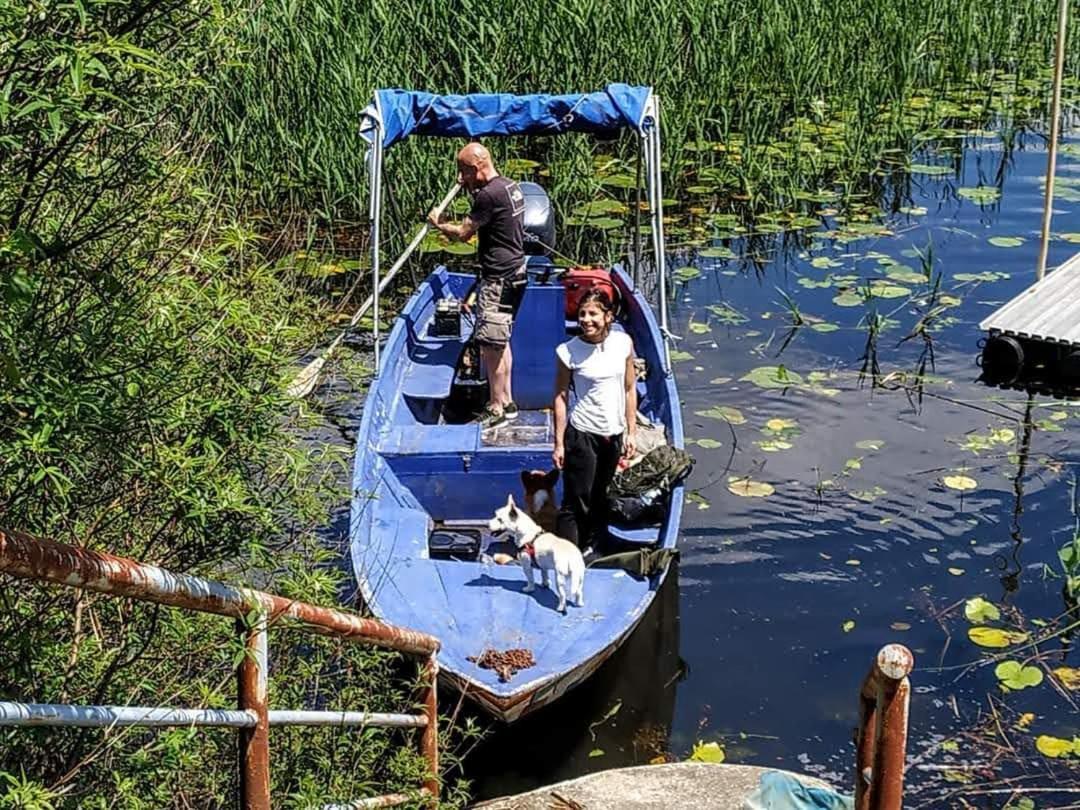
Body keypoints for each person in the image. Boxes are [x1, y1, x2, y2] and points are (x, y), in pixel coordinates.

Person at [428, 142, 526, 428]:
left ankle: (496, 408)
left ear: (475, 167)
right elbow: (487, 204)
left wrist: (439, 223)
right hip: (517, 273)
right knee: (501, 340)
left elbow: (462, 233)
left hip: (498, 279)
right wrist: (469, 184)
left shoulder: (488, 196)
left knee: (491, 345)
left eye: (464, 171)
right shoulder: (509, 186)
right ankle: (507, 401)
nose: (461, 178)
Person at [552, 288, 637, 551]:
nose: (586, 320)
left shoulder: (623, 343)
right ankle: (568, 557)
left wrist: (631, 431)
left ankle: (593, 547)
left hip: (613, 433)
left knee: (601, 495)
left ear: (608, 316)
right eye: (582, 314)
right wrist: (559, 443)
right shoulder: (568, 351)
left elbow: (629, 388)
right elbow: (560, 396)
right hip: (582, 434)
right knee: (577, 500)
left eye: (593, 314)